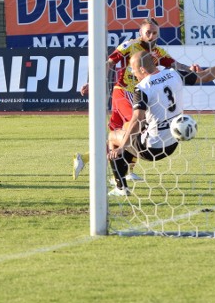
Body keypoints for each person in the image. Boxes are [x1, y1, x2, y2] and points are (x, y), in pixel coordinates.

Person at [74, 18, 202, 182]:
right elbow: (109, 63)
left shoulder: (158, 52)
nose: (151, 35)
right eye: (148, 32)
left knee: (120, 135)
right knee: (138, 127)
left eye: (154, 32)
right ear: (140, 32)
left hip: (139, 95)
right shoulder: (129, 46)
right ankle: (120, 176)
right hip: (124, 92)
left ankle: (90, 161)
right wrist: (93, 81)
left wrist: (190, 69)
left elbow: (176, 66)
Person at [105, 50, 215, 195]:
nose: (133, 74)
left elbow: (137, 119)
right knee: (129, 131)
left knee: (113, 136)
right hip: (172, 142)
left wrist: (122, 147)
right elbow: (206, 76)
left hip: (152, 148)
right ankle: (125, 173)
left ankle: (121, 187)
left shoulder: (142, 88)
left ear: (142, 69)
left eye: (133, 70)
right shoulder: (173, 74)